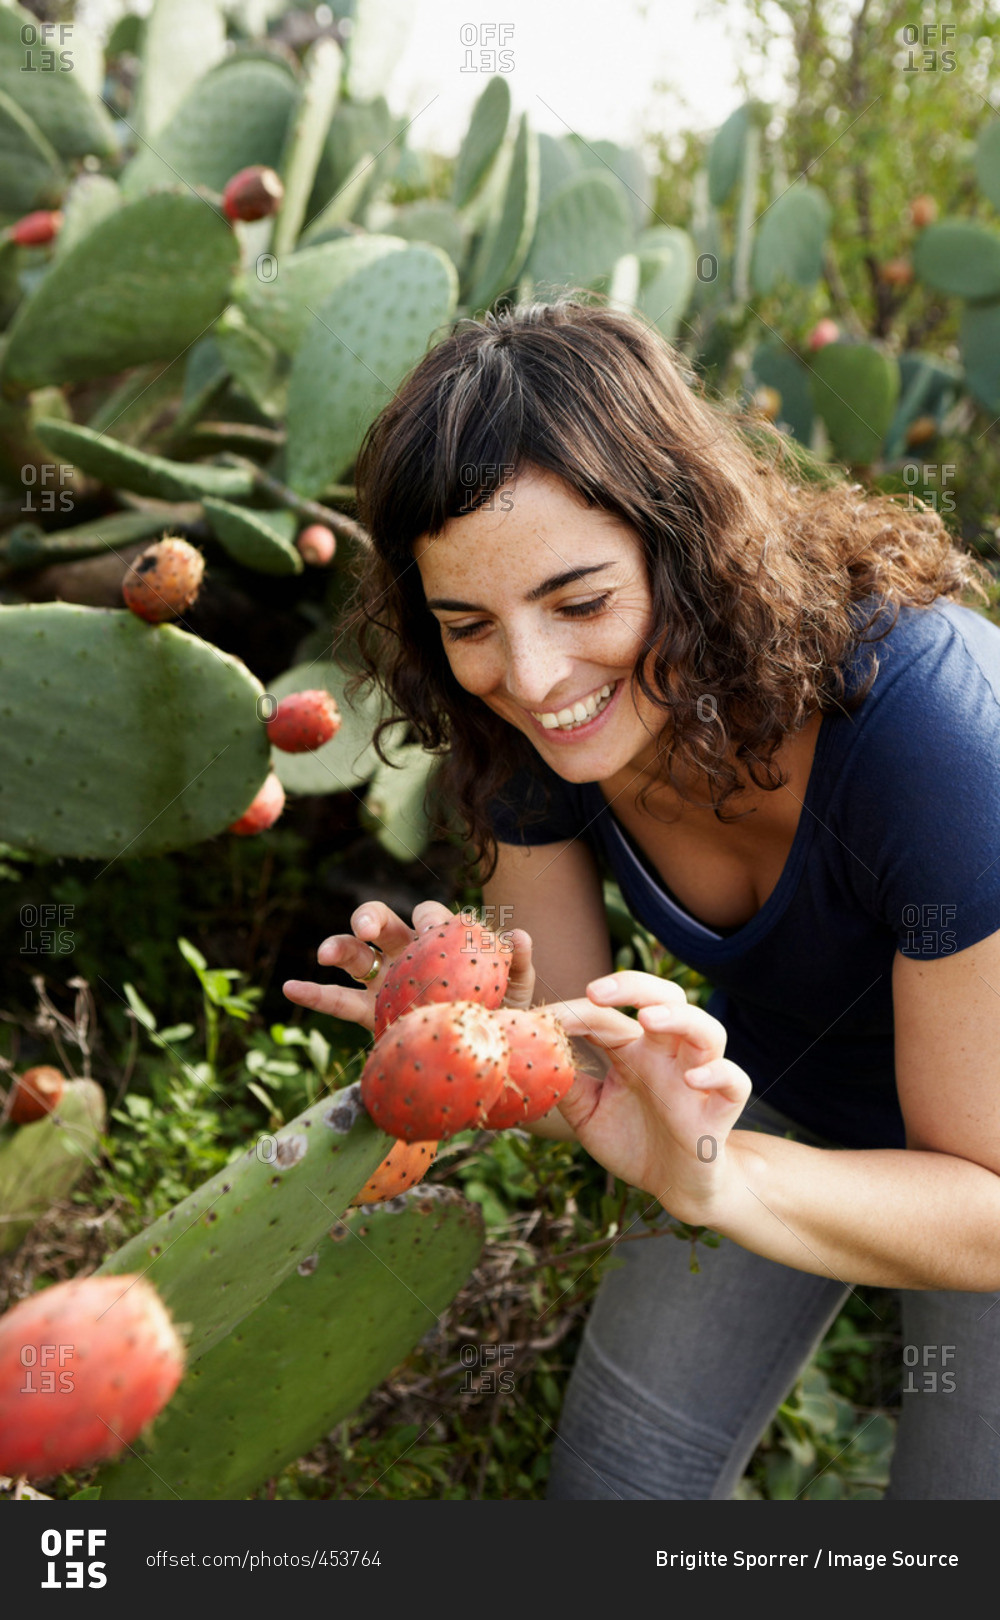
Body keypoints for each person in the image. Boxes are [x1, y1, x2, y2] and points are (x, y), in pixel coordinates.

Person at [282, 296, 1000, 1501]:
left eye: (580, 603)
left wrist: (718, 1175)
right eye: (468, 623)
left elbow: (983, 1208)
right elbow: (576, 1061)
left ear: (693, 547)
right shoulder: (518, 728)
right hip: (775, 1083)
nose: (532, 676)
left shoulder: (934, 740)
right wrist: (480, 1041)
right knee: (621, 1488)